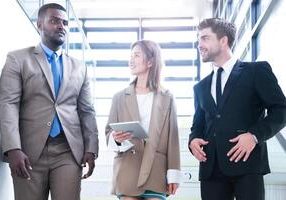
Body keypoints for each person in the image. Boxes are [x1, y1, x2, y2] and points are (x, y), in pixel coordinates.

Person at [0, 3, 99, 200]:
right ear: (40, 25)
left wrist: (91, 148)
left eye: (65, 22)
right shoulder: (18, 59)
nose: (61, 26)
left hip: (68, 150)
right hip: (28, 151)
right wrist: (13, 148)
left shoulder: (80, 67)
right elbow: (8, 104)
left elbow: (87, 111)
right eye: (54, 21)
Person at [189, 17, 286, 200]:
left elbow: (281, 109)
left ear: (223, 40)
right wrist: (193, 140)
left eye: (204, 38)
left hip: (247, 165)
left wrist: (254, 135)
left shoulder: (256, 71)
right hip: (211, 170)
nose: (199, 44)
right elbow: (198, 126)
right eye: (198, 38)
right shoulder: (200, 87)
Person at [105, 40, 181, 200]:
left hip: (156, 171)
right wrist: (116, 138)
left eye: (137, 55)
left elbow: (173, 140)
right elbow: (108, 133)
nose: (131, 60)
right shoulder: (119, 97)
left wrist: (173, 174)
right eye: (131, 55)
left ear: (151, 61)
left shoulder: (167, 97)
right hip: (128, 169)